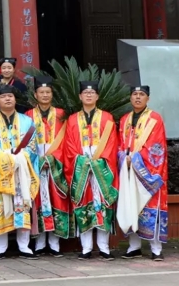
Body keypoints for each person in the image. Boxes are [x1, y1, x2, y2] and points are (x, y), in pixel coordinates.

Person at [64, 81, 119, 260]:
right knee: (83, 204)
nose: (88, 95)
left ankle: (104, 247)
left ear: (97, 96)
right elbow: (69, 146)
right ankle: (86, 247)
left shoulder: (107, 118)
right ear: (80, 96)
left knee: (102, 204)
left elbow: (112, 144)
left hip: (101, 166)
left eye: (92, 92)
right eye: (85, 93)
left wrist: (98, 161)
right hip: (81, 167)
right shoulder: (72, 119)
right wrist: (81, 161)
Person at [0, 85, 39, 260]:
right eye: (4, 97)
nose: (7, 99)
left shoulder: (26, 121)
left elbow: (32, 146)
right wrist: (8, 159)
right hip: (1, 172)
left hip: (22, 170)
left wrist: (19, 158)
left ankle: (24, 245)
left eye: (10, 96)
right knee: (0, 205)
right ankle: (1, 246)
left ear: (15, 99)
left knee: (22, 204)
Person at [117, 86, 168, 261]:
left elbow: (157, 146)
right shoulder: (125, 119)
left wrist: (136, 160)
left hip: (146, 171)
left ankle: (156, 249)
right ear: (130, 98)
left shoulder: (155, 119)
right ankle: (134, 246)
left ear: (148, 98)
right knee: (131, 205)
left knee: (150, 206)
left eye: (142, 95)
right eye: (135, 94)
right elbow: (119, 144)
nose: (138, 97)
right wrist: (124, 158)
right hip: (129, 170)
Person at [24, 76, 69, 257]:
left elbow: (67, 141)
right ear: (35, 94)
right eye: (41, 92)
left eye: (48, 92)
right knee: (38, 202)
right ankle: (40, 242)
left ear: (52, 94)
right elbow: (24, 141)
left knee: (55, 200)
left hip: (55, 164)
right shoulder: (28, 115)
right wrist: (36, 161)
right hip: (35, 164)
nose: (44, 95)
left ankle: (54, 242)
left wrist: (52, 159)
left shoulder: (61, 114)